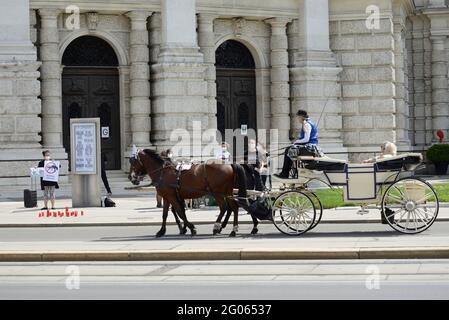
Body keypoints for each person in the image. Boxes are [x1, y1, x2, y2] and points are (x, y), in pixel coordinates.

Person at [274, 109, 321, 179]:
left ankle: (285, 174)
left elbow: (306, 139)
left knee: (288, 150)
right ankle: (288, 172)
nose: (297, 119)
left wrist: (296, 142)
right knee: (290, 149)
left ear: (301, 117)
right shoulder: (308, 123)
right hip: (310, 147)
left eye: (298, 117)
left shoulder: (306, 125)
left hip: (310, 149)